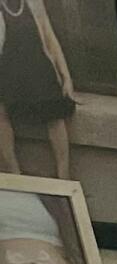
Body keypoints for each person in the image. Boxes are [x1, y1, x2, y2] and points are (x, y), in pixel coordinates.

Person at [0, 0, 78, 179]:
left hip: (38, 66)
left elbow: (50, 39)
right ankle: (14, 173)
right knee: (1, 115)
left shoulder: (33, 3)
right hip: (8, 72)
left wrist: (66, 76)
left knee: (55, 115)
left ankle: (63, 177)